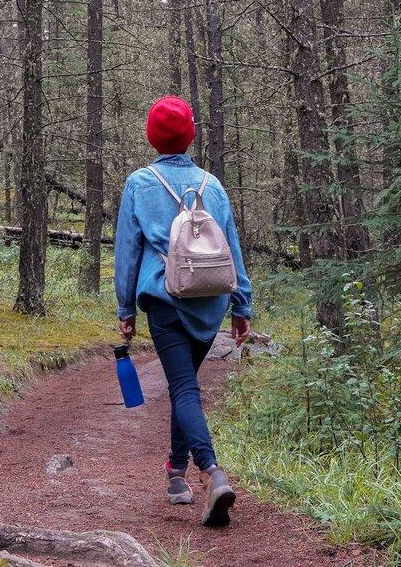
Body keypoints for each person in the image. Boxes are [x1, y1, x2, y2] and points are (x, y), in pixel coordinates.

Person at [114, 95, 253, 528]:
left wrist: (126, 306)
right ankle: (176, 472)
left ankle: (212, 472)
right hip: (209, 300)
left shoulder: (140, 183)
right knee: (184, 384)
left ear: (152, 137)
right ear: (190, 134)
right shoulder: (212, 185)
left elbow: (127, 252)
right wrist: (241, 304)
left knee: (183, 389)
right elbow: (231, 248)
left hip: (165, 299)